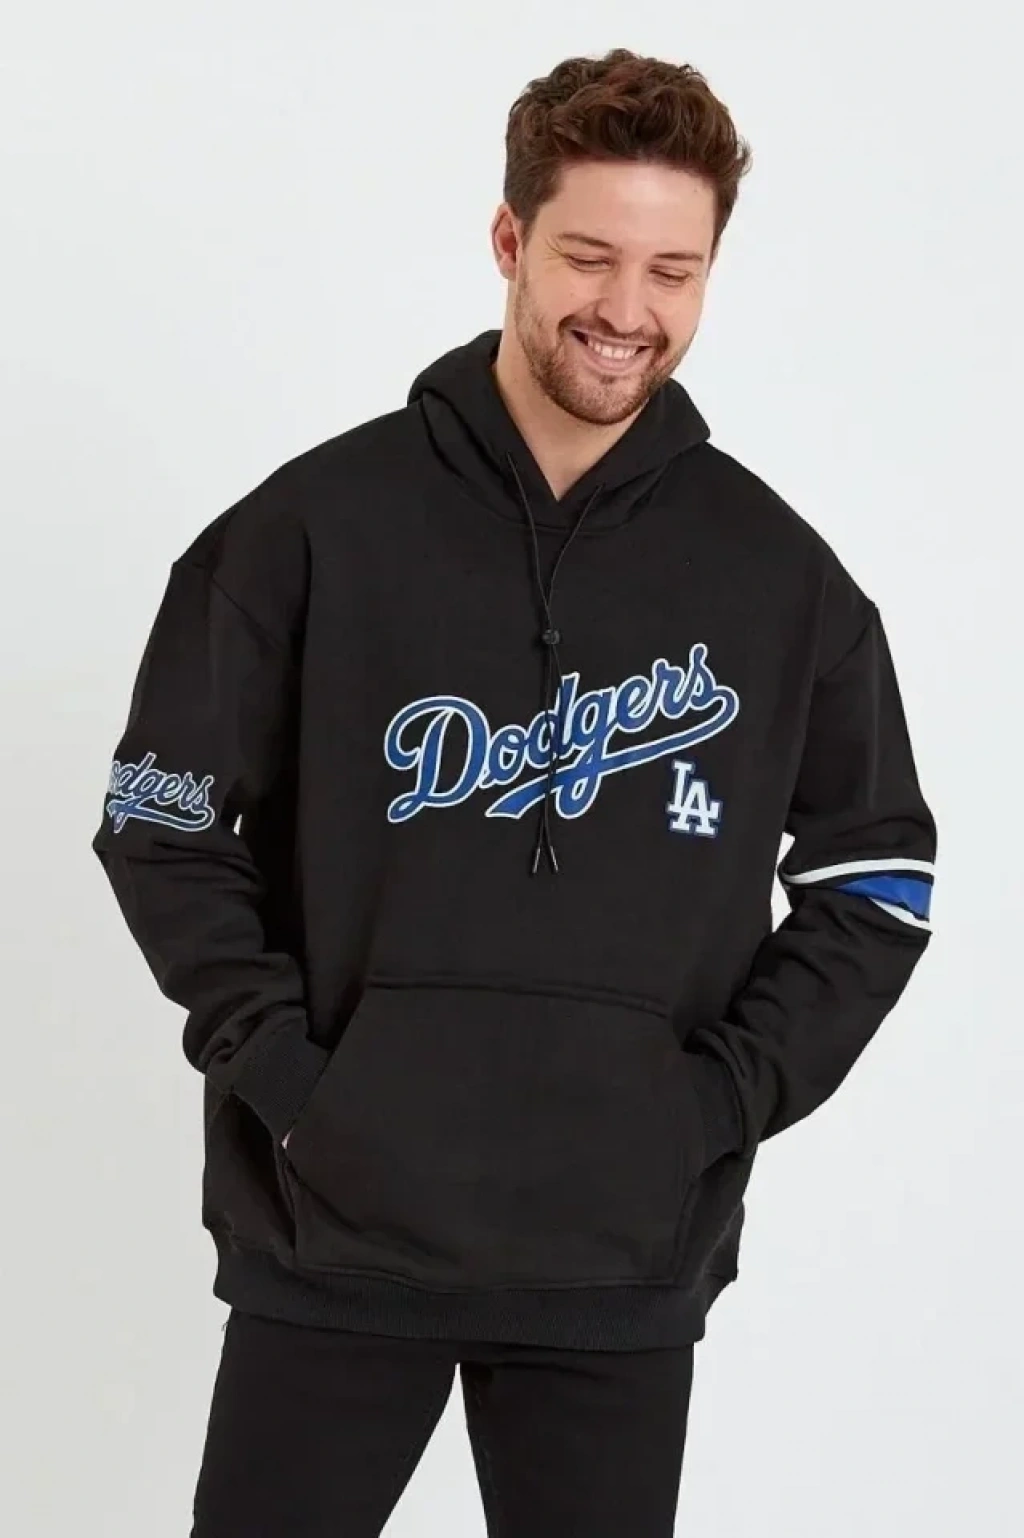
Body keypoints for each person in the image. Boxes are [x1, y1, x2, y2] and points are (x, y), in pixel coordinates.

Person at [92, 46, 937, 1538]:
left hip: (619, 1256)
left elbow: (877, 877)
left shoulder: (778, 576)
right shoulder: (313, 527)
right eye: (589, 256)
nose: (627, 309)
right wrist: (296, 1079)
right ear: (509, 239)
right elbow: (161, 820)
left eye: (673, 269)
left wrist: (708, 1106)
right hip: (335, 1236)